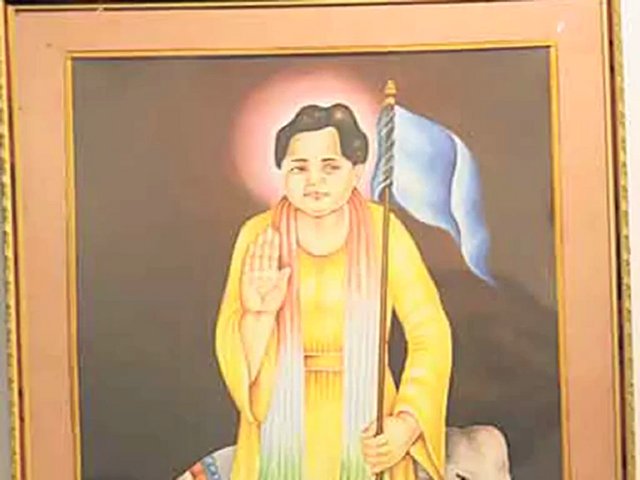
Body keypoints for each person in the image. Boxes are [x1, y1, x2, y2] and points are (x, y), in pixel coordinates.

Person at [214, 103, 452, 480]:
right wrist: (258, 315)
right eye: (299, 168)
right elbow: (232, 353)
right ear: (281, 172)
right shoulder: (258, 235)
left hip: (371, 428)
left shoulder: (384, 231)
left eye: (330, 167)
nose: (314, 181)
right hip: (279, 425)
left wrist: (406, 423)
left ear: (356, 171)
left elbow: (430, 333)